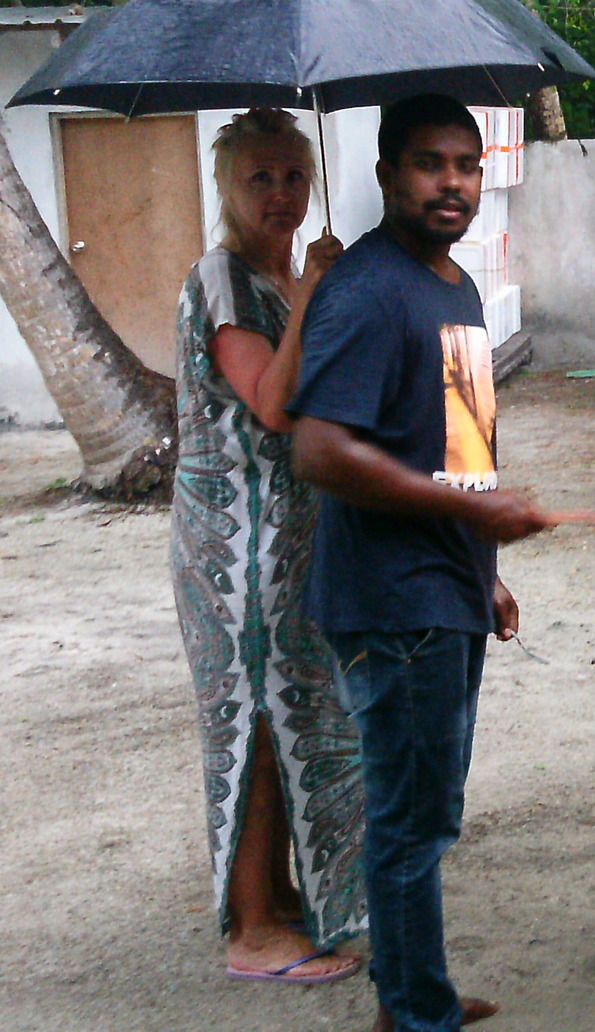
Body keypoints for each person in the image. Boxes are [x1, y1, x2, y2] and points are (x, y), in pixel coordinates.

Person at [289, 94, 552, 1032]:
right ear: (387, 175)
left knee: (428, 811)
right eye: (430, 164)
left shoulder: (455, 286)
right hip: (391, 605)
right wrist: (465, 524)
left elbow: (464, 452)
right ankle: (410, 1013)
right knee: (409, 821)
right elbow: (319, 450)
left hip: (445, 596)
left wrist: (483, 568)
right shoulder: (365, 289)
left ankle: (417, 996)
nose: (453, 183)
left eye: (467, 166)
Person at [171, 108, 365, 983]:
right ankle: (252, 930)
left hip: (289, 543)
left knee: (293, 714)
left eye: (294, 175)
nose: (282, 193)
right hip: (233, 546)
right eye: (262, 178)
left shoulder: (287, 276)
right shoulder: (223, 279)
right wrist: (313, 299)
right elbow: (272, 402)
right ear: (227, 188)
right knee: (250, 721)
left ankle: (279, 895)